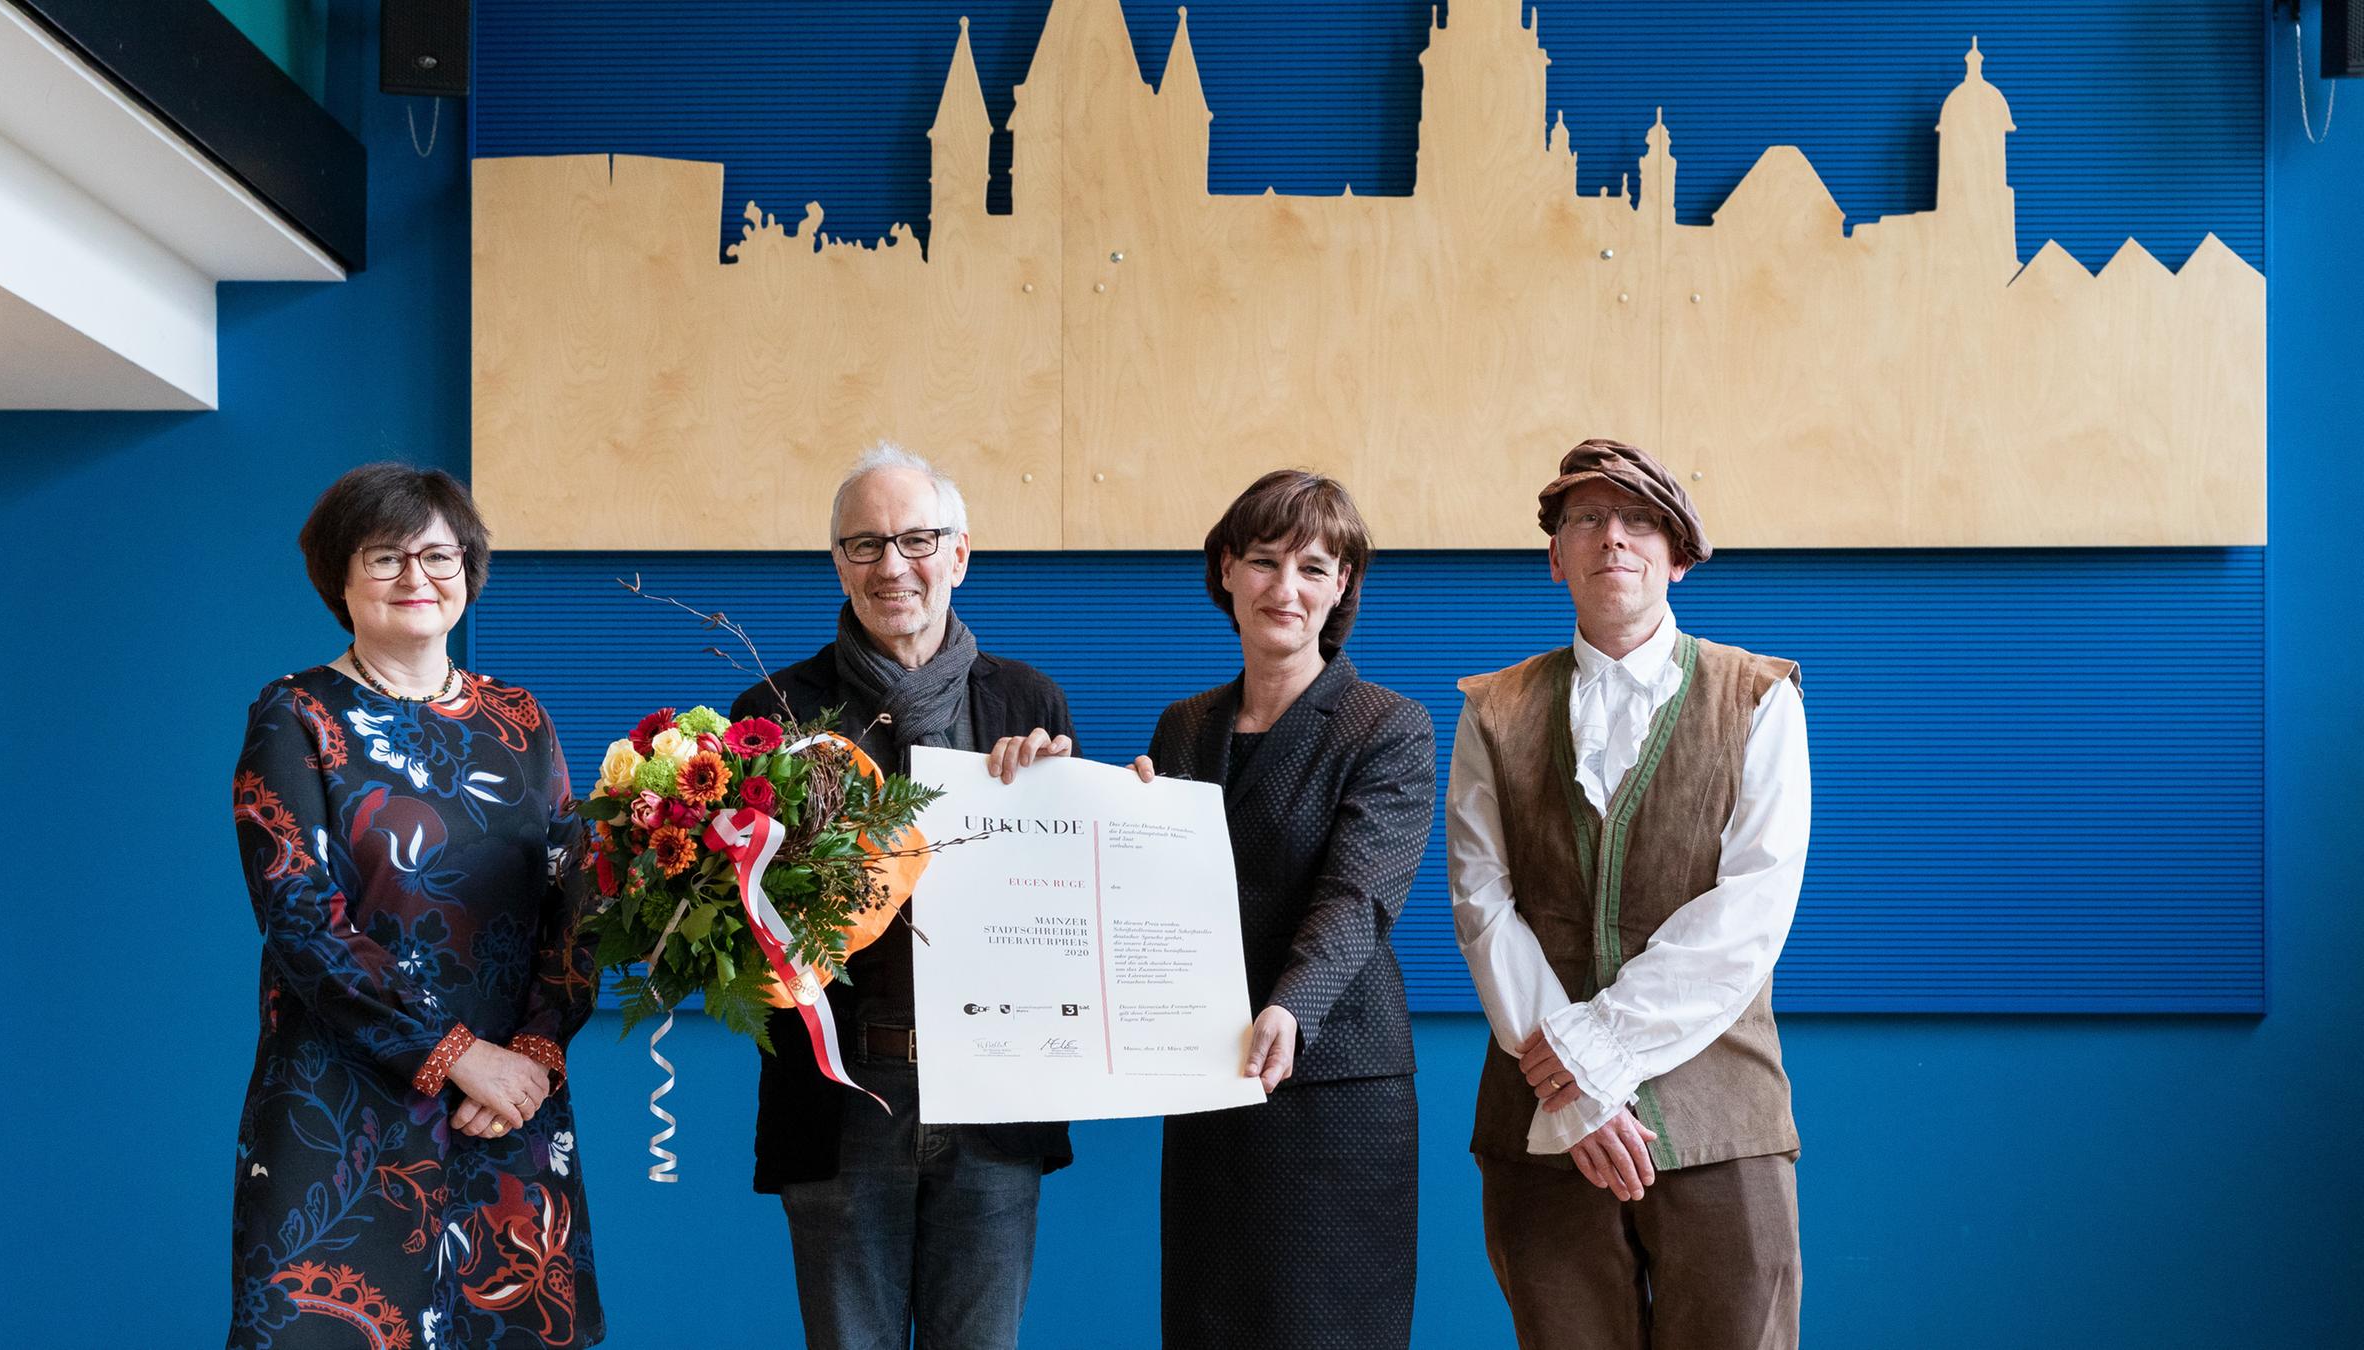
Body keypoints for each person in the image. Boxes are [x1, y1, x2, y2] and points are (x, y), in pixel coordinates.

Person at [228, 463, 603, 1348]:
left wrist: (535, 1055)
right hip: (346, 1105)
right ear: (340, 581)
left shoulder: (522, 721)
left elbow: (577, 898)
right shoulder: (296, 716)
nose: (416, 578)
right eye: (385, 558)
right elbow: (299, 916)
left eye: (438, 556)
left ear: (468, 571)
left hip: (509, 1104)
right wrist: (453, 1054)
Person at [1449, 438, 1810, 1349]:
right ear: (1556, 556)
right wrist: (1569, 1092)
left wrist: (1593, 1058)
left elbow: (1751, 910)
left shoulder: (1760, 697)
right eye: (1587, 520)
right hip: (1539, 1123)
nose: (1614, 537)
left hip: (1722, 1117)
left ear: (1678, 555)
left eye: (1641, 520)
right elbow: (1480, 903)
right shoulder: (1493, 708)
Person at [1068, 468, 1434, 1350]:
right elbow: (1150, 902)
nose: (1286, 588)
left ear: (1342, 584)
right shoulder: (1183, 728)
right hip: (1205, 1081)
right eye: (1265, 561)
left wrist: (1290, 1006)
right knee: (1207, 1324)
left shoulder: (1389, 726)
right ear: (1226, 570)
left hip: (1336, 1092)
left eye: (1314, 567)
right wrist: (1115, 822)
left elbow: (1358, 896)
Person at [730, 443, 1075, 1350]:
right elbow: (740, 916)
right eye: (865, 544)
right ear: (838, 562)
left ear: (960, 554)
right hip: (841, 1098)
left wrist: (1086, 807)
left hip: (995, 1098)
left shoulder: (1031, 702)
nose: (893, 566)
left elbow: (1069, 905)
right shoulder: (773, 711)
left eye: (917, 539)